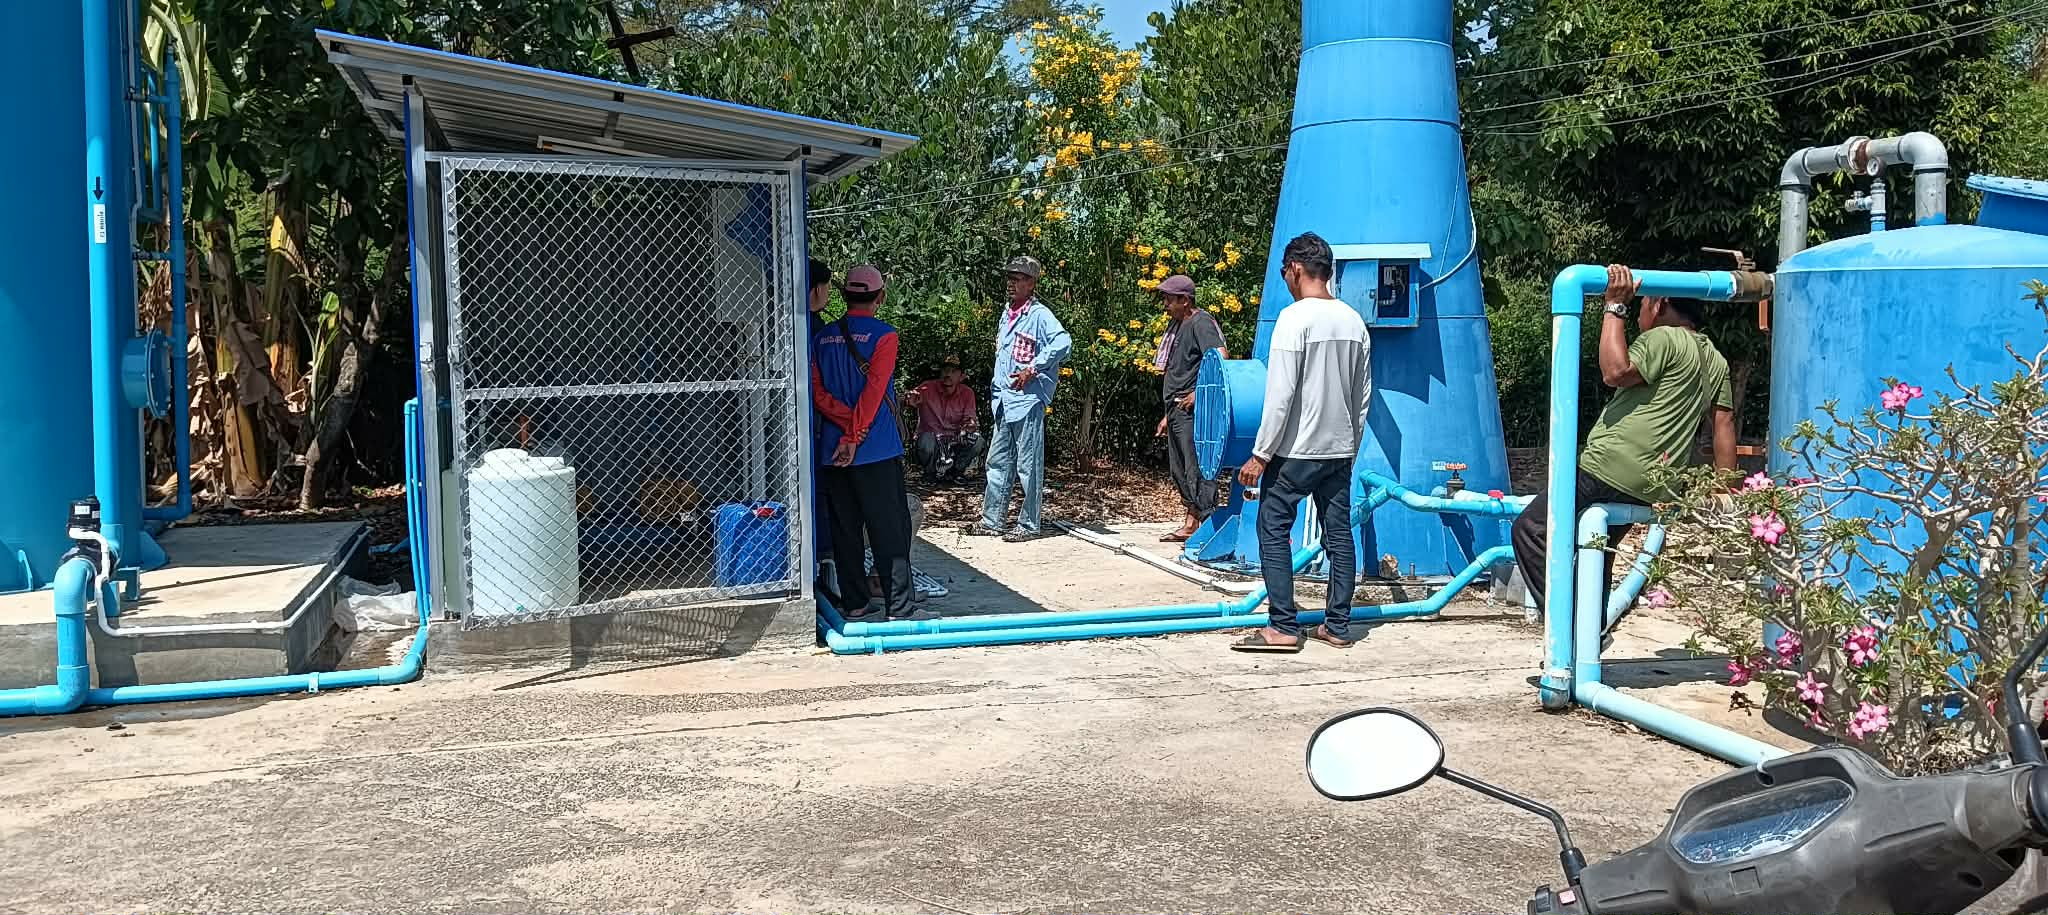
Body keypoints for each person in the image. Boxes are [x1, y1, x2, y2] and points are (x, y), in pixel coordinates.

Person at [1510, 264, 1737, 615]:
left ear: (1659, 304)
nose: (1640, 312)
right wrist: (1725, 489)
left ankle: (1568, 627)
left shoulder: (1664, 338)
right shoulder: (1715, 360)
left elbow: (1615, 371)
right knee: (1596, 550)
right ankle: (1592, 632)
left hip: (1609, 468)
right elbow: (1724, 423)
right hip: (1653, 483)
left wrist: (1615, 307)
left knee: (1532, 530)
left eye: (1643, 303)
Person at [1230, 233, 1370, 653]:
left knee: (1272, 528)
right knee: (1339, 535)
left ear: (1294, 268)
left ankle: (1282, 626)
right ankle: (1338, 625)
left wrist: (1260, 454)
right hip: (1338, 450)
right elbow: (1362, 395)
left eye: (1284, 272)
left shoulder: (1293, 320)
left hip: (1295, 451)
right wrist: (1351, 445)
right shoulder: (1354, 321)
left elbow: (1280, 395)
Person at [811, 265, 931, 622]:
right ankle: (900, 609)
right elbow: (874, 392)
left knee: (845, 528)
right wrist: (856, 434)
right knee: (889, 528)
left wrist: (844, 426)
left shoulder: (822, 337)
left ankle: (855, 604)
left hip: (832, 450)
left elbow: (816, 392)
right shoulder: (885, 336)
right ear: (880, 297)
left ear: (844, 295)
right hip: (875, 448)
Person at [967, 255, 1072, 543]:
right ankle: (993, 521)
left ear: (1031, 283)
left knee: (1028, 465)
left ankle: (1029, 524)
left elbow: (1063, 342)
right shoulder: (1008, 313)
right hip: (1004, 399)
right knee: (997, 461)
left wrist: (1033, 368)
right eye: (1010, 278)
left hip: (1027, 401)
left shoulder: (1039, 315)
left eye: (1018, 279)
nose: (1011, 284)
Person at [1152, 274, 1228, 542]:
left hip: (1192, 410)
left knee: (1196, 469)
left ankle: (1208, 527)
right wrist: (1167, 415)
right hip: (1175, 409)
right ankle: (1191, 524)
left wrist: (1198, 393)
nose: (1165, 304)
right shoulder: (1177, 326)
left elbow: (1220, 359)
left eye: (1169, 299)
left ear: (1185, 300)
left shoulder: (1201, 323)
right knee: (1179, 469)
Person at [906, 354, 983, 484]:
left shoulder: (967, 393)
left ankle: (956, 472)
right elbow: (911, 397)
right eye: (945, 370)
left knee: (978, 441)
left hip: (954, 440)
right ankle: (930, 473)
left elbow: (970, 420)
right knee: (926, 441)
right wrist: (910, 399)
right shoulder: (927, 388)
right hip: (933, 440)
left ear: (961, 376)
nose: (948, 374)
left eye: (953, 371)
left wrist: (968, 427)